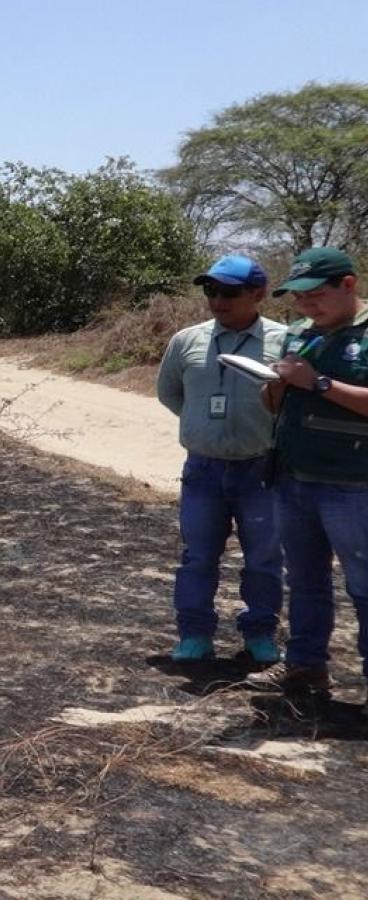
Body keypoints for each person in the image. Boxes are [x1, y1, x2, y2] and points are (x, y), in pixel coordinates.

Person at [156, 254, 287, 663]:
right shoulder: (186, 340)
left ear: (258, 294)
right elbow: (170, 393)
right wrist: (202, 426)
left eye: (229, 292)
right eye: (210, 290)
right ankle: (194, 635)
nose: (217, 299)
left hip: (261, 469)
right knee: (197, 556)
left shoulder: (284, 341)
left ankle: (259, 636)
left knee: (264, 559)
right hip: (203, 469)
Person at [250, 247, 368, 699]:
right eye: (298, 299)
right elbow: (275, 406)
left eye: (315, 295)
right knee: (304, 580)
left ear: (349, 285)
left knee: (363, 585)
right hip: (293, 478)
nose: (306, 307)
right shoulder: (297, 335)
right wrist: (275, 386)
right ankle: (305, 666)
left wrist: (319, 383)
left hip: (353, 485)